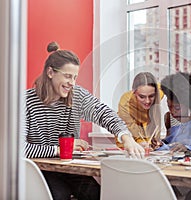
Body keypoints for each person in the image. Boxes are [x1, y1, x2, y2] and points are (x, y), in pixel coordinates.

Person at [24, 41, 144, 200]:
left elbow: (104, 113)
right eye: (67, 76)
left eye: (75, 77)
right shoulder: (24, 102)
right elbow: (17, 149)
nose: (72, 83)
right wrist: (61, 149)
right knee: (59, 195)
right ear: (50, 72)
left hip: (70, 169)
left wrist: (125, 136)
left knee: (95, 194)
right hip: (39, 170)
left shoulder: (76, 95)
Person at [117, 72, 164, 149]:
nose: (147, 101)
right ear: (134, 92)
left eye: (151, 96)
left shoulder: (160, 92)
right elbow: (130, 127)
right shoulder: (125, 103)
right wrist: (140, 142)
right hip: (129, 133)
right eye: (142, 97)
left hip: (148, 131)